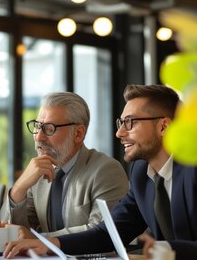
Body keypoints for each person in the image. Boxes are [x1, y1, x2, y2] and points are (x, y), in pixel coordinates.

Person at [5, 84, 197, 260]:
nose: (119, 133)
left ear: (164, 126)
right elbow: (107, 234)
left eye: (130, 123)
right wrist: (49, 244)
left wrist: (165, 250)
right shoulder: (141, 173)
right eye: (121, 122)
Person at [8, 92, 128, 237]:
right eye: (37, 126)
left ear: (78, 133)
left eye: (49, 128)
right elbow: (9, 232)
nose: (39, 137)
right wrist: (19, 189)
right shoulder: (38, 171)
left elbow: (102, 232)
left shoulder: (106, 170)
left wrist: (40, 239)